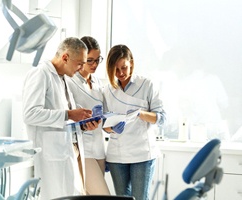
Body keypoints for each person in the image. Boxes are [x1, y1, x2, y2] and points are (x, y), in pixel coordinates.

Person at [22, 37, 100, 200]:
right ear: (65, 57)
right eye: (79, 63)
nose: (81, 68)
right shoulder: (41, 74)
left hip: (69, 149)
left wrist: (83, 125)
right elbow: (30, 113)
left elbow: (65, 120)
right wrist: (69, 114)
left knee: (73, 194)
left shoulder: (63, 78)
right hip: (51, 154)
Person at [103, 44, 166, 200]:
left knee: (140, 198)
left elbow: (162, 117)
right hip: (117, 155)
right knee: (122, 198)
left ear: (131, 62)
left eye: (124, 67)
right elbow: (105, 126)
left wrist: (140, 114)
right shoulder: (108, 90)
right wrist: (112, 128)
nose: (120, 73)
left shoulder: (147, 85)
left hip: (142, 154)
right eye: (116, 70)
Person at [65, 36, 110, 195]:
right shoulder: (70, 81)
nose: (95, 65)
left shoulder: (98, 82)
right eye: (90, 60)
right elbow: (67, 117)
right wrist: (84, 124)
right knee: (104, 196)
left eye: (98, 60)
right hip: (83, 149)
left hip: (99, 149)